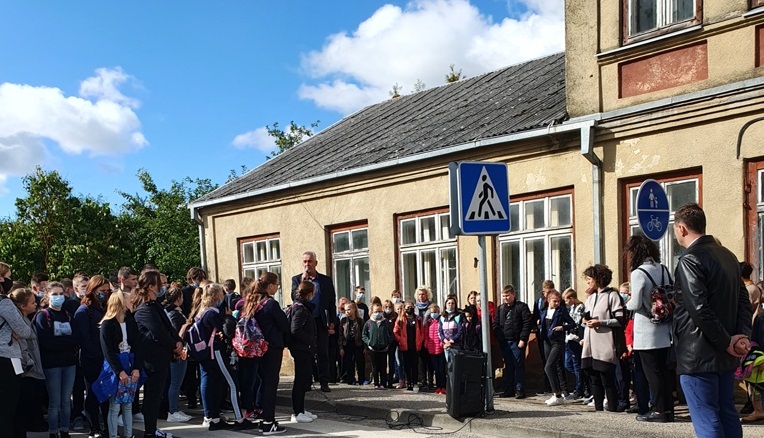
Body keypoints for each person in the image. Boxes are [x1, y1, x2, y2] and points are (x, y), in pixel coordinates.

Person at [671, 203, 752, 437]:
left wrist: (728, 341)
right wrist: (741, 337)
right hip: (725, 353)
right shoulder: (728, 256)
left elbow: (698, 308)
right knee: (727, 414)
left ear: (682, 229)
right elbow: (743, 302)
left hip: (698, 354)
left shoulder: (690, 259)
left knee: (707, 418)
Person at [624, 235, 675, 422]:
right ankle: (668, 410)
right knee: (664, 372)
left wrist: (626, 303)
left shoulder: (638, 273)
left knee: (652, 373)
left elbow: (636, 303)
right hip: (665, 328)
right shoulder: (663, 269)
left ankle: (659, 411)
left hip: (647, 330)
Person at [132, 271, 183, 438]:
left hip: (162, 357)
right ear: (151, 287)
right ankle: (149, 431)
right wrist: (174, 346)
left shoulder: (156, 306)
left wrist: (178, 341)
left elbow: (169, 327)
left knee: (156, 395)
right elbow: (158, 333)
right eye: (160, 284)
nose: (163, 287)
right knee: (152, 396)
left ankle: (152, 429)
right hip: (152, 359)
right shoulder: (144, 309)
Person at [191, 283, 246, 430]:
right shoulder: (212, 313)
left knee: (213, 384)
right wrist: (228, 317)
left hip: (208, 353)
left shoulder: (202, 312)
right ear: (217, 296)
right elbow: (226, 330)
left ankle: (214, 419)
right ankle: (239, 419)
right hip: (215, 352)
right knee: (232, 383)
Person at [36, 282, 79, 438]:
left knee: (66, 401)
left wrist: (61, 341)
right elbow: (46, 342)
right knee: (54, 402)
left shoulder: (68, 315)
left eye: (61, 294)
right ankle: (53, 432)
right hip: (52, 365)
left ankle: (65, 430)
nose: (58, 297)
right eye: (54, 294)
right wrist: (65, 342)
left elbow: (76, 338)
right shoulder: (43, 316)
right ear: (47, 296)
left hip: (69, 364)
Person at [581, 264, 626, 412]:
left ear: (598, 278)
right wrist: (585, 321)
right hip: (590, 345)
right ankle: (598, 409)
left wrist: (600, 322)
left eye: (590, 278)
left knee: (607, 379)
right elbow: (586, 317)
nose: (588, 282)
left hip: (605, 344)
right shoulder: (591, 298)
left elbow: (620, 320)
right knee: (594, 379)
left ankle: (612, 409)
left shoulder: (612, 296)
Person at [291, 251, 337, 393]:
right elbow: (294, 298)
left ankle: (324, 381)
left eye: (310, 261)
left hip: (320, 320)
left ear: (315, 263)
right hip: (305, 322)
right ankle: (307, 381)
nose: (307, 264)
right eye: (305, 261)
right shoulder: (296, 279)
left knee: (323, 352)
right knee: (307, 352)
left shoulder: (325, 281)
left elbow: (331, 302)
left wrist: (332, 321)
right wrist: (303, 281)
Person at [99, 291, 143, 438]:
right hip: (116, 366)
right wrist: (119, 371)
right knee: (115, 406)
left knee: (128, 404)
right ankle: (113, 435)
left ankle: (128, 435)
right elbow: (108, 351)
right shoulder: (107, 324)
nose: (132, 302)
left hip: (130, 362)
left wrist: (136, 368)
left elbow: (137, 345)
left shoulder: (130, 321)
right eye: (129, 300)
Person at [73, 276, 111, 438]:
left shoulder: (105, 308)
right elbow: (84, 339)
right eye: (102, 291)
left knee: (107, 395)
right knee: (93, 394)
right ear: (93, 290)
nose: (105, 294)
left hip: (106, 358)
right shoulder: (84, 311)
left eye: (108, 291)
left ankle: (108, 427)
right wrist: (98, 355)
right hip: (92, 359)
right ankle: (94, 428)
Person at [252, 272, 289, 435]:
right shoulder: (270, 304)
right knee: (270, 385)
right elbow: (284, 324)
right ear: (270, 285)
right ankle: (268, 421)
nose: (277, 287)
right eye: (277, 284)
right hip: (272, 347)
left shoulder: (253, 301)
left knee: (263, 382)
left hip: (257, 348)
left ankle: (262, 418)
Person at [10, 288, 45, 438]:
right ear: (22, 306)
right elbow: (22, 346)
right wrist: (29, 363)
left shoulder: (26, 320)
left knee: (26, 410)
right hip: (27, 372)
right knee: (21, 412)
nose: (36, 304)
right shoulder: (18, 323)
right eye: (32, 302)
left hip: (34, 370)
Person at [0, 283, 34, 434]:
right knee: (7, 409)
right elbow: (25, 331)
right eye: (5, 276)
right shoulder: (4, 302)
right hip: (6, 358)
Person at [492, 285, 532, 399]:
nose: (505, 298)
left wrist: (523, 339)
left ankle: (519, 389)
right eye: (504, 296)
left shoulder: (521, 307)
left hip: (517, 341)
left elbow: (527, 324)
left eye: (507, 295)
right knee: (508, 366)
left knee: (518, 365)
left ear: (513, 295)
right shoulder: (500, 309)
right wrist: (500, 338)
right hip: (505, 342)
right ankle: (509, 389)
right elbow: (496, 325)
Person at [161, 287, 191, 423]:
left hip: (180, 349)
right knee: (175, 383)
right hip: (178, 351)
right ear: (179, 298)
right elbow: (175, 332)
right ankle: (172, 410)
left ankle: (174, 409)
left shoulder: (174, 312)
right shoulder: (173, 313)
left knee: (176, 383)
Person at [289, 280, 318, 423]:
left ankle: (301, 409)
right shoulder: (300, 309)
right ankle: (297, 412)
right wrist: (310, 340)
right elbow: (295, 330)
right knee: (300, 380)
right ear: (309, 293)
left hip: (303, 349)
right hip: (301, 349)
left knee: (305, 379)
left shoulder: (303, 307)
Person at [541, 289, 576, 406]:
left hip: (557, 341)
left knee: (549, 367)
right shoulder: (544, 311)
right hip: (547, 341)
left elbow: (572, 323)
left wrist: (563, 328)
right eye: (554, 301)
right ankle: (556, 393)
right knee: (551, 367)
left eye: (558, 301)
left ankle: (558, 394)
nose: (557, 303)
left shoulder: (561, 311)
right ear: (548, 300)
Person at [562, 288, 587, 401]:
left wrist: (567, 326)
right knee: (568, 364)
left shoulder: (580, 307)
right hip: (568, 338)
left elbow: (576, 322)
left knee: (577, 364)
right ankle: (582, 382)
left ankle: (580, 388)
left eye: (567, 300)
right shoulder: (571, 307)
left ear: (572, 298)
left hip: (575, 338)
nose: (566, 303)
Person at [393, 300, 424, 391]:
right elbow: (395, 331)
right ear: (404, 309)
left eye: (411, 307)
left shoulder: (418, 319)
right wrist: (400, 340)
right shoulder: (401, 319)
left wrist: (420, 341)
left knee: (415, 365)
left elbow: (422, 332)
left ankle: (415, 382)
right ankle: (408, 382)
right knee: (406, 365)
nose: (410, 309)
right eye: (408, 307)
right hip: (405, 346)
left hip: (415, 345)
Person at [362, 302, 393, 390]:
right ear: (372, 311)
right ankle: (376, 383)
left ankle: (383, 383)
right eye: (376, 311)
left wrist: (387, 342)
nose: (378, 313)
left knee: (383, 367)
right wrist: (369, 342)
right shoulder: (369, 323)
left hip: (384, 349)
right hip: (373, 349)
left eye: (379, 311)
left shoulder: (386, 322)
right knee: (375, 367)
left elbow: (391, 334)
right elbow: (364, 335)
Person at [532, 280, 554, 395]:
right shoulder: (539, 301)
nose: (547, 294)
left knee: (554, 361)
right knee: (545, 360)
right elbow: (535, 316)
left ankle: (557, 386)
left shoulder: (556, 301)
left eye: (549, 292)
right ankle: (547, 386)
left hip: (553, 335)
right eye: (545, 292)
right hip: (542, 334)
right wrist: (536, 322)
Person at [339, 301, 365, 385]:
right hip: (347, 344)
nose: (347, 312)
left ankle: (361, 380)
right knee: (349, 363)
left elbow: (363, 334)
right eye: (346, 310)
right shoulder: (343, 320)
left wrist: (365, 347)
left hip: (358, 344)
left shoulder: (360, 321)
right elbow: (340, 334)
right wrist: (341, 347)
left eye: (349, 309)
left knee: (360, 362)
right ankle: (350, 379)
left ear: (354, 309)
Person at [414, 286, 433, 388]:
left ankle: (430, 381)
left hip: (429, 336)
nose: (421, 296)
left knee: (429, 360)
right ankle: (423, 380)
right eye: (419, 294)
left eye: (423, 294)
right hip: (418, 337)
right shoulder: (414, 308)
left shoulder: (431, 307)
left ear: (427, 295)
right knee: (421, 360)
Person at [424, 303, 445, 394]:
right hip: (431, 348)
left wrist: (441, 343)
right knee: (436, 369)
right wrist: (426, 343)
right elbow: (426, 334)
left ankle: (443, 386)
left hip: (440, 348)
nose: (433, 314)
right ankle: (438, 386)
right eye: (432, 312)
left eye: (435, 312)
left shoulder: (441, 321)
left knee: (441, 369)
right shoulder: (428, 322)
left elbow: (443, 333)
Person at [438, 294, 462, 364]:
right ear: (445, 305)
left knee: (455, 364)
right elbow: (440, 332)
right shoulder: (442, 317)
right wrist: (445, 341)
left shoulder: (458, 316)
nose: (450, 305)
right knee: (449, 364)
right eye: (449, 303)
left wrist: (452, 341)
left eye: (452, 303)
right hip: (446, 345)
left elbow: (460, 331)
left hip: (455, 345)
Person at [382, 299, 399, 388]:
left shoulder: (395, 316)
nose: (388, 309)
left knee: (392, 362)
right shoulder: (381, 316)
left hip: (392, 342)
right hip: (383, 343)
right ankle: (383, 381)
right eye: (386, 307)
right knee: (383, 363)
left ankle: (390, 382)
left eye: (389, 307)